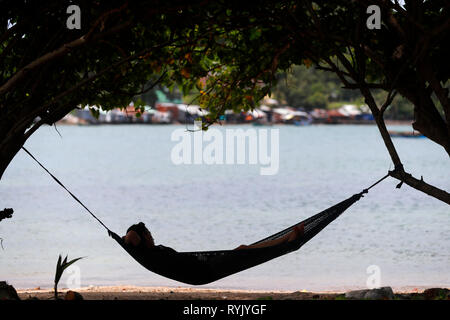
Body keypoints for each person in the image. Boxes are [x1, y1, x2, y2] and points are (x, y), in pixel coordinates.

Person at [123, 222, 304, 251]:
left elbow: (130, 239)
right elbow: (130, 237)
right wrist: (122, 238)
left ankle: (288, 239)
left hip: (200, 266)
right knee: (243, 250)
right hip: (203, 269)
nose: (152, 237)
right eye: (149, 235)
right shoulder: (150, 253)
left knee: (244, 250)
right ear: (142, 238)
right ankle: (288, 240)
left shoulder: (153, 253)